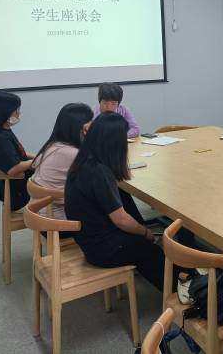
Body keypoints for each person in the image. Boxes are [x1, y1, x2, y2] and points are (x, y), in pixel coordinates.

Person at [64, 113, 163, 290]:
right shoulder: (99, 172)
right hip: (102, 250)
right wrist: (145, 232)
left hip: (89, 240)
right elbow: (121, 220)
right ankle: (185, 288)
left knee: (124, 198)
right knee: (154, 252)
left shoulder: (85, 161)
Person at [31, 103, 93, 219]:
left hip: (41, 213)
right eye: (90, 124)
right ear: (81, 128)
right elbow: (96, 175)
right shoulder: (72, 153)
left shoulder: (53, 145)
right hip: (59, 219)